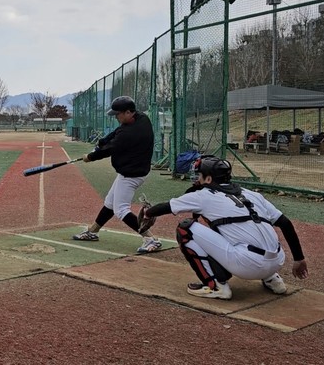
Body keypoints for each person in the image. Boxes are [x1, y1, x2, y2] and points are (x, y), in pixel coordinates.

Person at [141, 155, 309, 300]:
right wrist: (299, 259)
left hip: (248, 265)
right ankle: (272, 279)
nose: (196, 178)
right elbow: (285, 223)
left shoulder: (203, 195)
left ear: (208, 179)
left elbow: (166, 207)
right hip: (277, 261)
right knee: (232, 226)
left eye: (199, 175)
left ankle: (216, 287)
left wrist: (148, 213)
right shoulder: (251, 194)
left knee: (186, 228)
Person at [73, 96, 161, 253]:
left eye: (118, 114)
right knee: (110, 203)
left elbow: (110, 148)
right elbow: (116, 133)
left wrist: (91, 156)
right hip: (131, 170)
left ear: (128, 112)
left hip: (132, 174)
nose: (116, 117)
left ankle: (150, 239)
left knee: (120, 209)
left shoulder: (130, 134)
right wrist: (101, 142)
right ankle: (93, 231)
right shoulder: (141, 118)